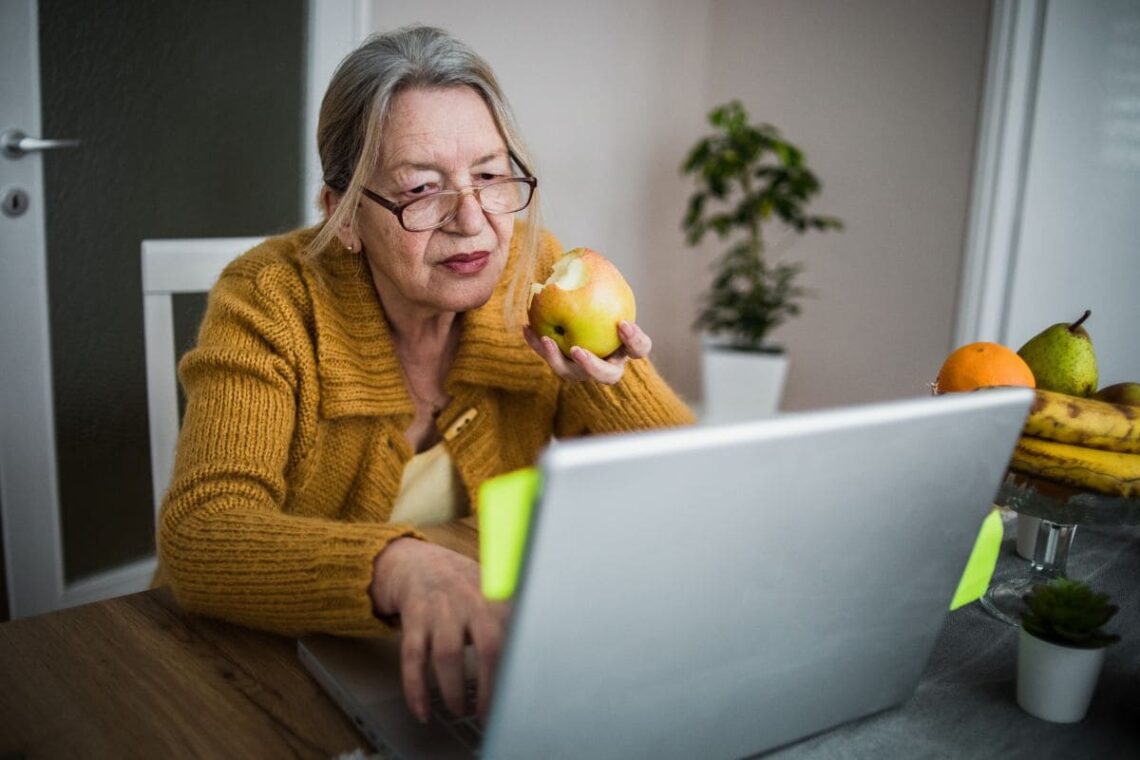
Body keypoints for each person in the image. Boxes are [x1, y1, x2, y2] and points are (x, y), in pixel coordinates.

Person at [155, 24, 694, 726]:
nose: (473, 221)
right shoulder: (269, 301)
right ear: (343, 216)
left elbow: (692, 493)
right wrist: (401, 566)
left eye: (493, 175)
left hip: (458, 657)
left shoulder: (535, 280)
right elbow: (203, 534)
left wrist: (618, 383)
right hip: (251, 667)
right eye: (421, 188)